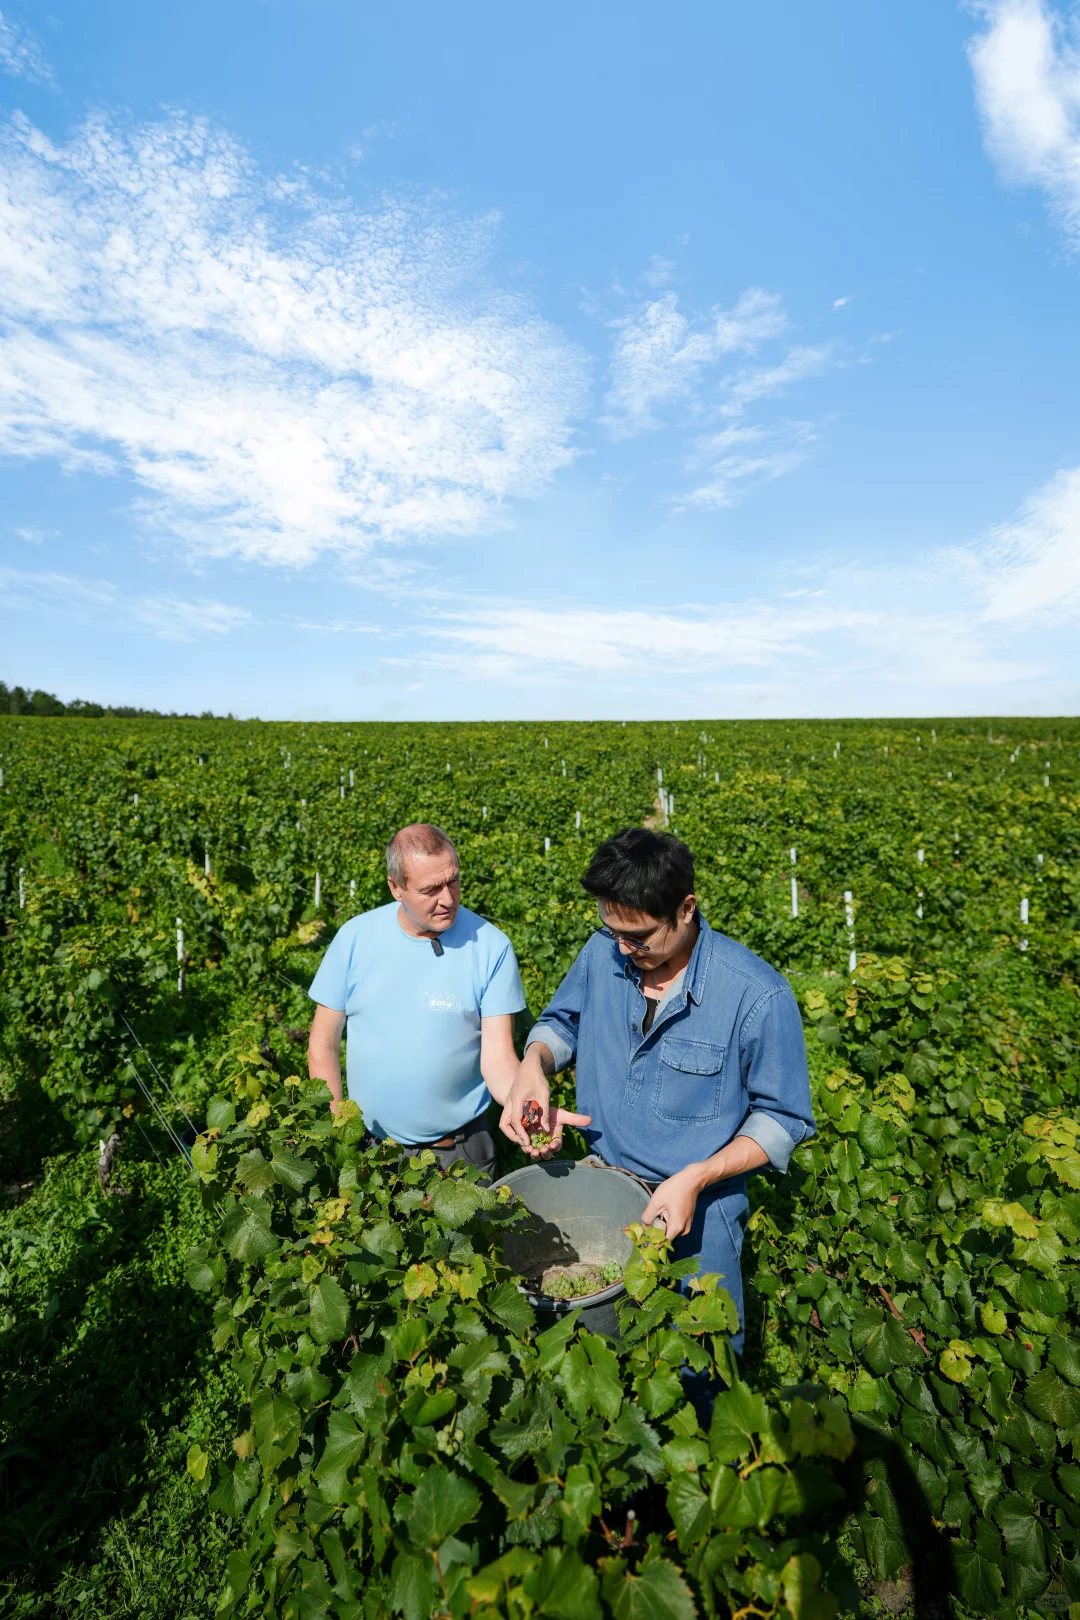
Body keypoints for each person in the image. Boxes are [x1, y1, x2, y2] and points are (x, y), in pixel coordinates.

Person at [500, 827, 815, 1353]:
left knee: (700, 1366)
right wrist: (535, 1063)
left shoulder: (755, 995)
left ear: (686, 908)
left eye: (640, 937)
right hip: (602, 1195)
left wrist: (699, 1175)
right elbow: (563, 1022)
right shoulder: (604, 953)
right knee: (600, 1360)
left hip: (701, 1215)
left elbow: (783, 1119)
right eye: (612, 929)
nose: (624, 948)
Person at [307, 823, 527, 1177]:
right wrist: (335, 1127)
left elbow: (499, 1057)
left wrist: (525, 1104)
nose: (448, 899)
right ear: (396, 887)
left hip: (461, 1152)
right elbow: (323, 1044)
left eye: (453, 881)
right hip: (372, 1148)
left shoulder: (491, 947)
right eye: (430, 889)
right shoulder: (355, 938)